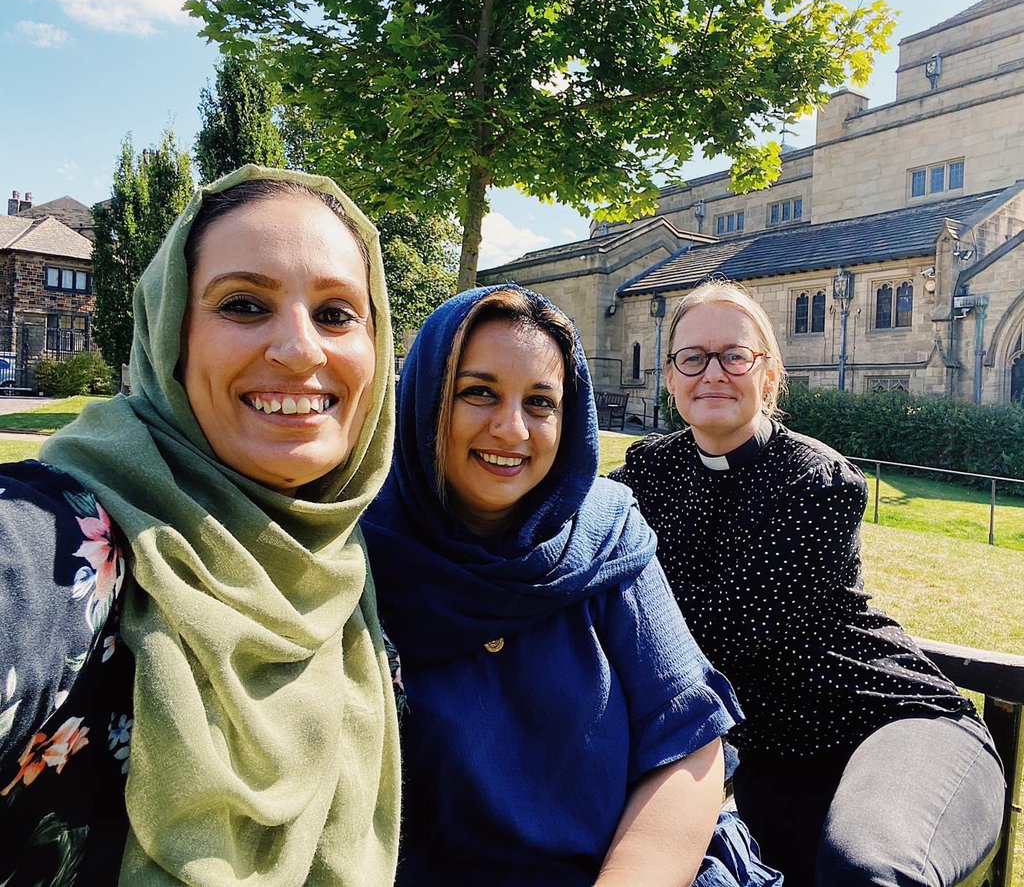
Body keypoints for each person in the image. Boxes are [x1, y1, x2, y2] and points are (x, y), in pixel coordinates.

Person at [0, 166, 402, 886]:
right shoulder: (61, 546)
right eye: (245, 304)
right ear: (170, 336)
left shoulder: (353, 575)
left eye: (338, 313)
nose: (301, 349)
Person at [362, 285, 780, 887]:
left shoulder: (605, 536)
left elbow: (689, 740)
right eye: (478, 392)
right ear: (425, 399)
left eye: (541, 402)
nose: (512, 429)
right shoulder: (360, 553)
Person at [608, 280, 1006, 886]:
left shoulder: (815, 479)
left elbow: (723, 634)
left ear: (767, 376)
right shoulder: (649, 471)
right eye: (692, 357)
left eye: (734, 356)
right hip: (774, 755)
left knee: (866, 871)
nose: (711, 372)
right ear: (669, 377)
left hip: (890, 725)